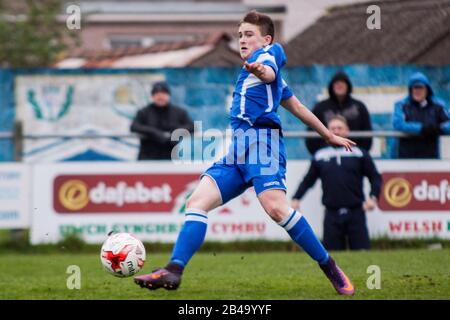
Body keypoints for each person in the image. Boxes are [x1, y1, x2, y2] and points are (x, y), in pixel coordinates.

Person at [134, 11, 356, 295]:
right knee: (196, 202)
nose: (242, 39)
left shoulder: (267, 56)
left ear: (266, 39)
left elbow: (270, 68)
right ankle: (174, 271)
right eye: (239, 35)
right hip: (238, 147)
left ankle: (329, 266)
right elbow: (298, 107)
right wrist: (328, 134)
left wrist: (261, 70)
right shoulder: (255, 74)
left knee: (276, 209)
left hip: (262, 145)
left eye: (248, 34)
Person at [292, 115, 382, 251]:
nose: (336, 131)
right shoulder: (320, 156)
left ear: (347, 131)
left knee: (362, 255)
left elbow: (375, 177)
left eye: (340, 128)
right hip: (331, 214)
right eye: (332, 128)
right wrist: (296, 198)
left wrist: (373, 197)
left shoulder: (359, 154)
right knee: (333, 258)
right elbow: (308, 180)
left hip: (356, 212)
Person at [305, 71, 372, 155]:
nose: (339, 85)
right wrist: (318, 155)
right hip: (326, 156)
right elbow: (311, 132)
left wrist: (361, 155)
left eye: (343, 82)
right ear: (331, 86)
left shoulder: (359, 107)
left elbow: (367, 132)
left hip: (354, 154)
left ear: (348, 85)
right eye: (336, 83)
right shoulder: (320, 107)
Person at [130, 81, 194, 160]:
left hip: (171, 157)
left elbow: (191, 126)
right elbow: (134, 126)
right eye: (157, 94)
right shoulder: (144, 112)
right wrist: (154, 133)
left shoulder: (179, 112)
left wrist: (175, 133)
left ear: (168, 95)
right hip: (148, 158)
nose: (160, 96)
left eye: (163, 93)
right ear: (152, 96)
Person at [393, 72, 450, 159]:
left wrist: (439, 128)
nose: (417, 91)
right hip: (406, 158)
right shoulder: (401, 105)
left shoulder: (438, 105)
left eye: (421, 88)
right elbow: (398, 124)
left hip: (430, 157)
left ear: (427, 89)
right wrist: (422, 128)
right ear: (410, 90)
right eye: (415, 88)